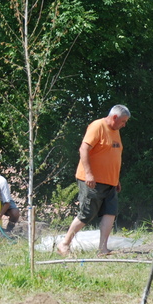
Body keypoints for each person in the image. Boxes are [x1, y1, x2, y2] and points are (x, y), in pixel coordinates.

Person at [57, 105, 131, 257]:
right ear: (114, 117)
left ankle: (103, 249)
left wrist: (116, 178)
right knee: (87, 213)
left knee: (110, 213)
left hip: (110, 181)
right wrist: (89, 174)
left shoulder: (116, 130)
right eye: (123, 121)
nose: (124, 125)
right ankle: (64, 244)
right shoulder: (97, 126)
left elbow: (112, 155)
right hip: (92, 180)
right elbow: (83, 149)